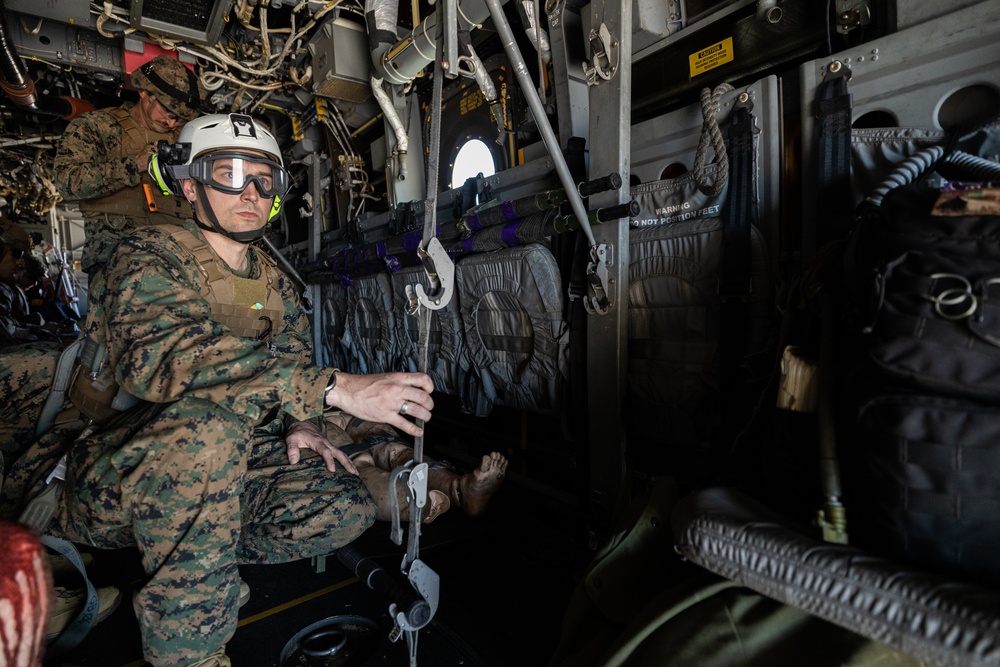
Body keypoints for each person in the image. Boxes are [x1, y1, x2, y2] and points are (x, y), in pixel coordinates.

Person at [25, 113, 435, 667]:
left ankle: (198, 557)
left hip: (209, 470)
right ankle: (190, 648)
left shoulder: (271, 282)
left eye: (264, 179)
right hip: (98, 469)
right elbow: (164, 360)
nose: (251, 192)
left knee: (344, 505)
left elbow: (284, 363)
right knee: (207, 431)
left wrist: (301, 425)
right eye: (230, 173)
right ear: (190, 185)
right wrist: (335, 389)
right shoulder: (148, 255)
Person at [53, 55, 205, 281]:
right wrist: (134, 165)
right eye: (168, 112)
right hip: (118, 258)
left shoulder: (188, 138)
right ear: (144, 92)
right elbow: (68, 183)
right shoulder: (99, 126)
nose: (172, 123)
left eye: (181, 118)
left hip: (181, 256)